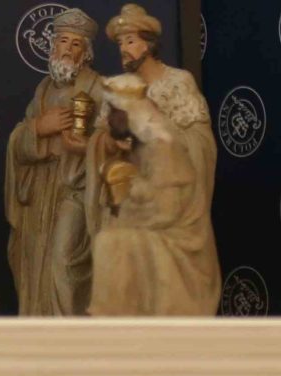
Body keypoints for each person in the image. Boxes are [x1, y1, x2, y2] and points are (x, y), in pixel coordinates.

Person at [86, 4, 217, 316]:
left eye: (130, 40)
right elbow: (101, 139)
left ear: (149, 43)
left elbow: (201, 143)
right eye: (120, 43)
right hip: (130, 198)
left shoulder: (178, 83)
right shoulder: (119, 89)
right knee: (111, 248)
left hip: (170, 200)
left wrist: (157, 135)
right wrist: (112, 143)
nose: (124, 49)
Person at [5, 7, 104, 316]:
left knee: (63, 263)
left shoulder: (99, 89)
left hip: (78, 193)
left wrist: (87, 146)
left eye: (76, 44)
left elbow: (117, 142)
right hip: (40, 193)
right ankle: (41, 332)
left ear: (86, 53)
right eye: (62, 41)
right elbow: (18, 142)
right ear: (52, 47)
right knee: (35, 261)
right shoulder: (43, 90)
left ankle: (69, 336)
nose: (68, 50)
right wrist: (38, 128)